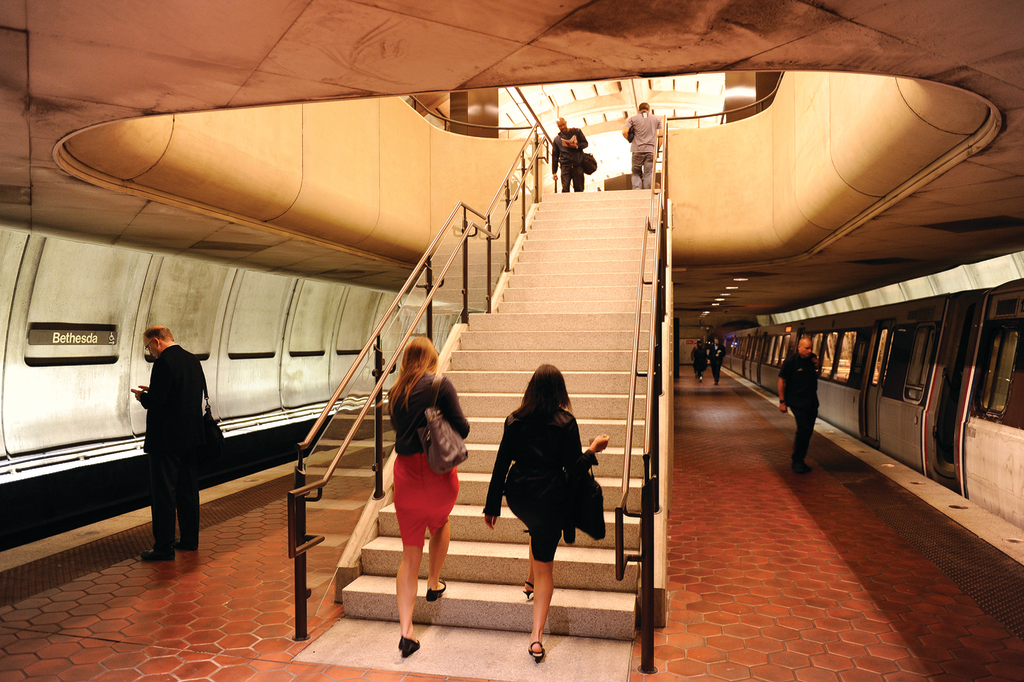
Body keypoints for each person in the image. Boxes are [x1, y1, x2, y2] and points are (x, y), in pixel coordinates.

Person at [482, 365, 609, 663]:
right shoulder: (565, 422)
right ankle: (536, 637)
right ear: (559, 391)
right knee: (546, 569)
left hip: (519, 495)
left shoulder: (513, 420)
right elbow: (575, 470)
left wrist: (492, 505)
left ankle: (528, 581)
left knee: (537, 530)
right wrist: (593, 450)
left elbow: (501, 463)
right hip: (549, 497)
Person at [387, 336, 470, 658]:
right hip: (438, 477)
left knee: (409, 556)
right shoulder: (440, 385)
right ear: (431, 357)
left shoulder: (394, 393)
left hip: (405, 478)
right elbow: (461, 428)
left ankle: (407, 631)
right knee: (440, 523)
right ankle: (434, 582)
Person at [131, 325, 206, 561]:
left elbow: (159, 401)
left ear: (156, 341)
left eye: (148, 347)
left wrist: (144, 396)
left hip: (166, 442)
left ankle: (164, 547)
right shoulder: (192, 360)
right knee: (188, 491)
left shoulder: (163, 363)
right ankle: (189, 540)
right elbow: (182, 394)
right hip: (191, 438)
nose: (150, 352)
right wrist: (156, 392)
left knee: (164, 494)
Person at [778, 336, 820, 474]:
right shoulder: (791, 362)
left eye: (811, 348)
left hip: (811, 401)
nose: (809, 351)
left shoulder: (812, 360)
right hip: (796, 401)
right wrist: (782, 401)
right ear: (799, 347)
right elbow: (781, 381)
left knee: (808, 431)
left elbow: (816, 369)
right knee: (803, 429)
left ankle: (800, 459)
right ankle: (797, 460)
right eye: (806, 348)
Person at [622, 102, 663, 190]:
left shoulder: (633, 119)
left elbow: (624, 131)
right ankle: (647, 193)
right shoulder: (657, 119)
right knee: (648, 173)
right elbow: (661, 136)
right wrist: (656, 149)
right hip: (650, 150)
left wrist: (630, 140)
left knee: (636, 173)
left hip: (637, 150)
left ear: (639, 110)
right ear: (649, 110)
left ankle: (636, 192)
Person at [550, 117, 589, 193]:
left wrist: (577, 146)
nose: (562, 127)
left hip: (577, 165)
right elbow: (555, 156)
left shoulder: (576, 132)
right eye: (560, 126)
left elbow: (585, 144)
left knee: (579, 190)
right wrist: (554, 172)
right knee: (565, 189)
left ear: (566, 123)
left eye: (563, 125)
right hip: (565, 166)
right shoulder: (557, 140)